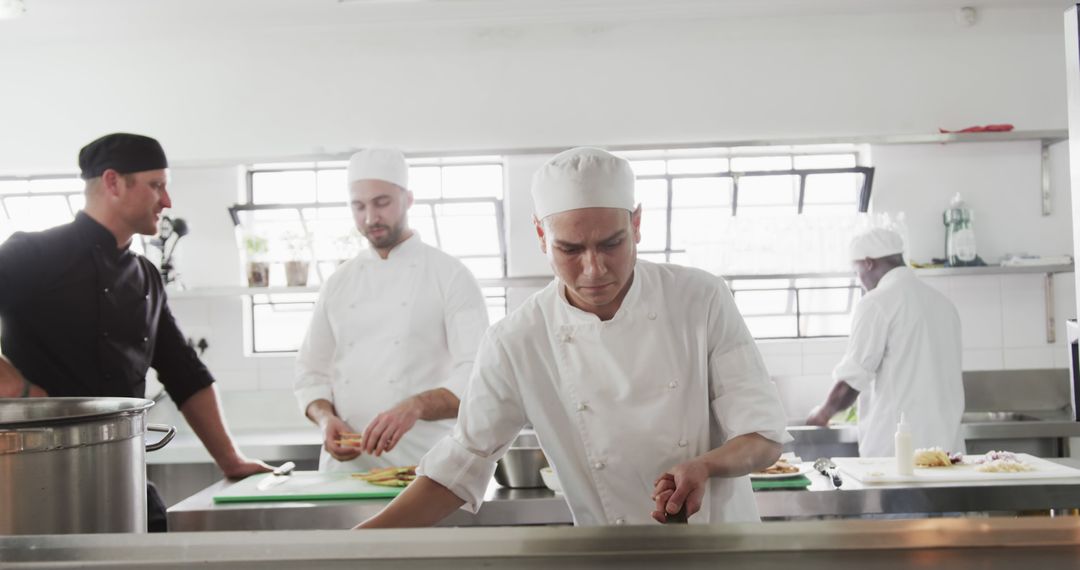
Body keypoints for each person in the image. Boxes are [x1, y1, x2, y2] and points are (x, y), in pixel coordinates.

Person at [356, 147, 789, 528]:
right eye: (571, 250)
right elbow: (460, 465)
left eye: (612, 243)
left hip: (719, 548)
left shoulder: (700, 299)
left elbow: (762, 436)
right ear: (542, 236)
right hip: (609, 553)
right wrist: (358, 545)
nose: (594, 268)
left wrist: (706, 465)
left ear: (637, 224)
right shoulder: (518, 339)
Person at [0, 132, 272, 532]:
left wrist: (230, 459)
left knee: (155, 535)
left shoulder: (144, 275)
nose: (167, 201)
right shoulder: (32, 253)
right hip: (34, 482)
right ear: (113, 182)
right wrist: (13, 385)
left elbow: (184, 373)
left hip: (121, 473)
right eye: (156, 186)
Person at [294, 148, 489, 472]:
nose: (371, 218)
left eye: (381, 202)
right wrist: (325, 418)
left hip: (425, 469)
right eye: (359, 206)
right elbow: (310, 373)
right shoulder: (338, 283)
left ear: (408, 199)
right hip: (346, 471)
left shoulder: (451, 276)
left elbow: (478, 375)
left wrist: (414, 407)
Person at [806, 227, 965, 457]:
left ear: (869, 263)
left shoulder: (877, 303)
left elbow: (853, 379)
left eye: (856, 270)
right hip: (948, 450)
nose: (858, 279)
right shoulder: (943, 304)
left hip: (899, 454)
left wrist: (822, 414)